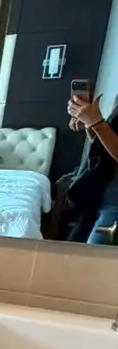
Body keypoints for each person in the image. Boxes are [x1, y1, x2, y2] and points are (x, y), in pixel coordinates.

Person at [59, 93, 118, 244]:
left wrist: (96, 122)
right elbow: (105, 149)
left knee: (91, 261)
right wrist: (89, 124)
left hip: (114, 203)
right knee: (73, 253)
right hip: (100, 192)